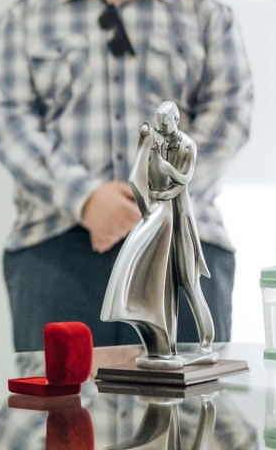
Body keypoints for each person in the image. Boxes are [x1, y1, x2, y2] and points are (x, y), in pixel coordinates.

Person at [0, 0, 252, 352]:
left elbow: (229, 116)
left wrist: (155, 201)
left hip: (183, 246)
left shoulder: (206, 16)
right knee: (60, 419)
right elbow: (10, 122)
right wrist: (87, 199)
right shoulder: (26, 17)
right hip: (54, 248)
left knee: (189, 416)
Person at [101, 101, 217, 367]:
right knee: (161, 281)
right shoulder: (159, 143)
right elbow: (144, 177)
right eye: (159, 122)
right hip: (163, 215)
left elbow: (184, 180)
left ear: (175, 119)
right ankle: (165, 346)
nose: (162, 126)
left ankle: (206, 343)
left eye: (165, 122)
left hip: (181, 217)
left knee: (189, 283)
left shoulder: (187, 144)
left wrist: (165, 173)